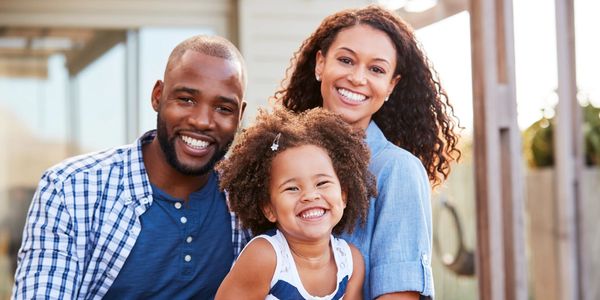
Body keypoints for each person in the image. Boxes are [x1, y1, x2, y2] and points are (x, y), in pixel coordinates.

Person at [12, 35, 249, 299]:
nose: (203, 121)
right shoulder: (70, 190)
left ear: (239, 116)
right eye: (186, 99)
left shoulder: (250, 198)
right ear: (158, 96)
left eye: (223, 108)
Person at [275, 5, 461, 299]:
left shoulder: (397, 170)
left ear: (391, 85)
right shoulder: (279, 156)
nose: (358, 78)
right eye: (346, 60)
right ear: (320, 63)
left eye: (376, 69)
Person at [214, 108, 376, 299]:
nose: (309, 196)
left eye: (322, 183)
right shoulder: (266, 257)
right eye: (292, 188)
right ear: (269, 208)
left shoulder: (350, 262)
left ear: (343, 196)